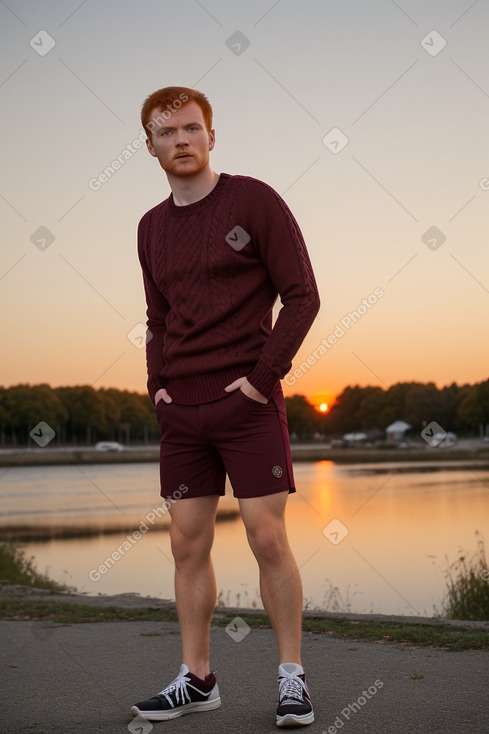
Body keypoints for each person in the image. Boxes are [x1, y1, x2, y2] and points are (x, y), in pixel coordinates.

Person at [131, 86, 320, 728]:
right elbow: (157, 318)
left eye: (190, 128)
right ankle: (198, 680)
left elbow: (303, 296)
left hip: (247, 402)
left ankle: (292, 681)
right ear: (150, 145)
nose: (180, 140)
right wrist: (158, 384)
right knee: (187, 545)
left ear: (212, 136)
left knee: (268, 537)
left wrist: (262, 381)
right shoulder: (150, 227)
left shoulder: (254, 200)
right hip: (181, 412)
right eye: (166, 132)